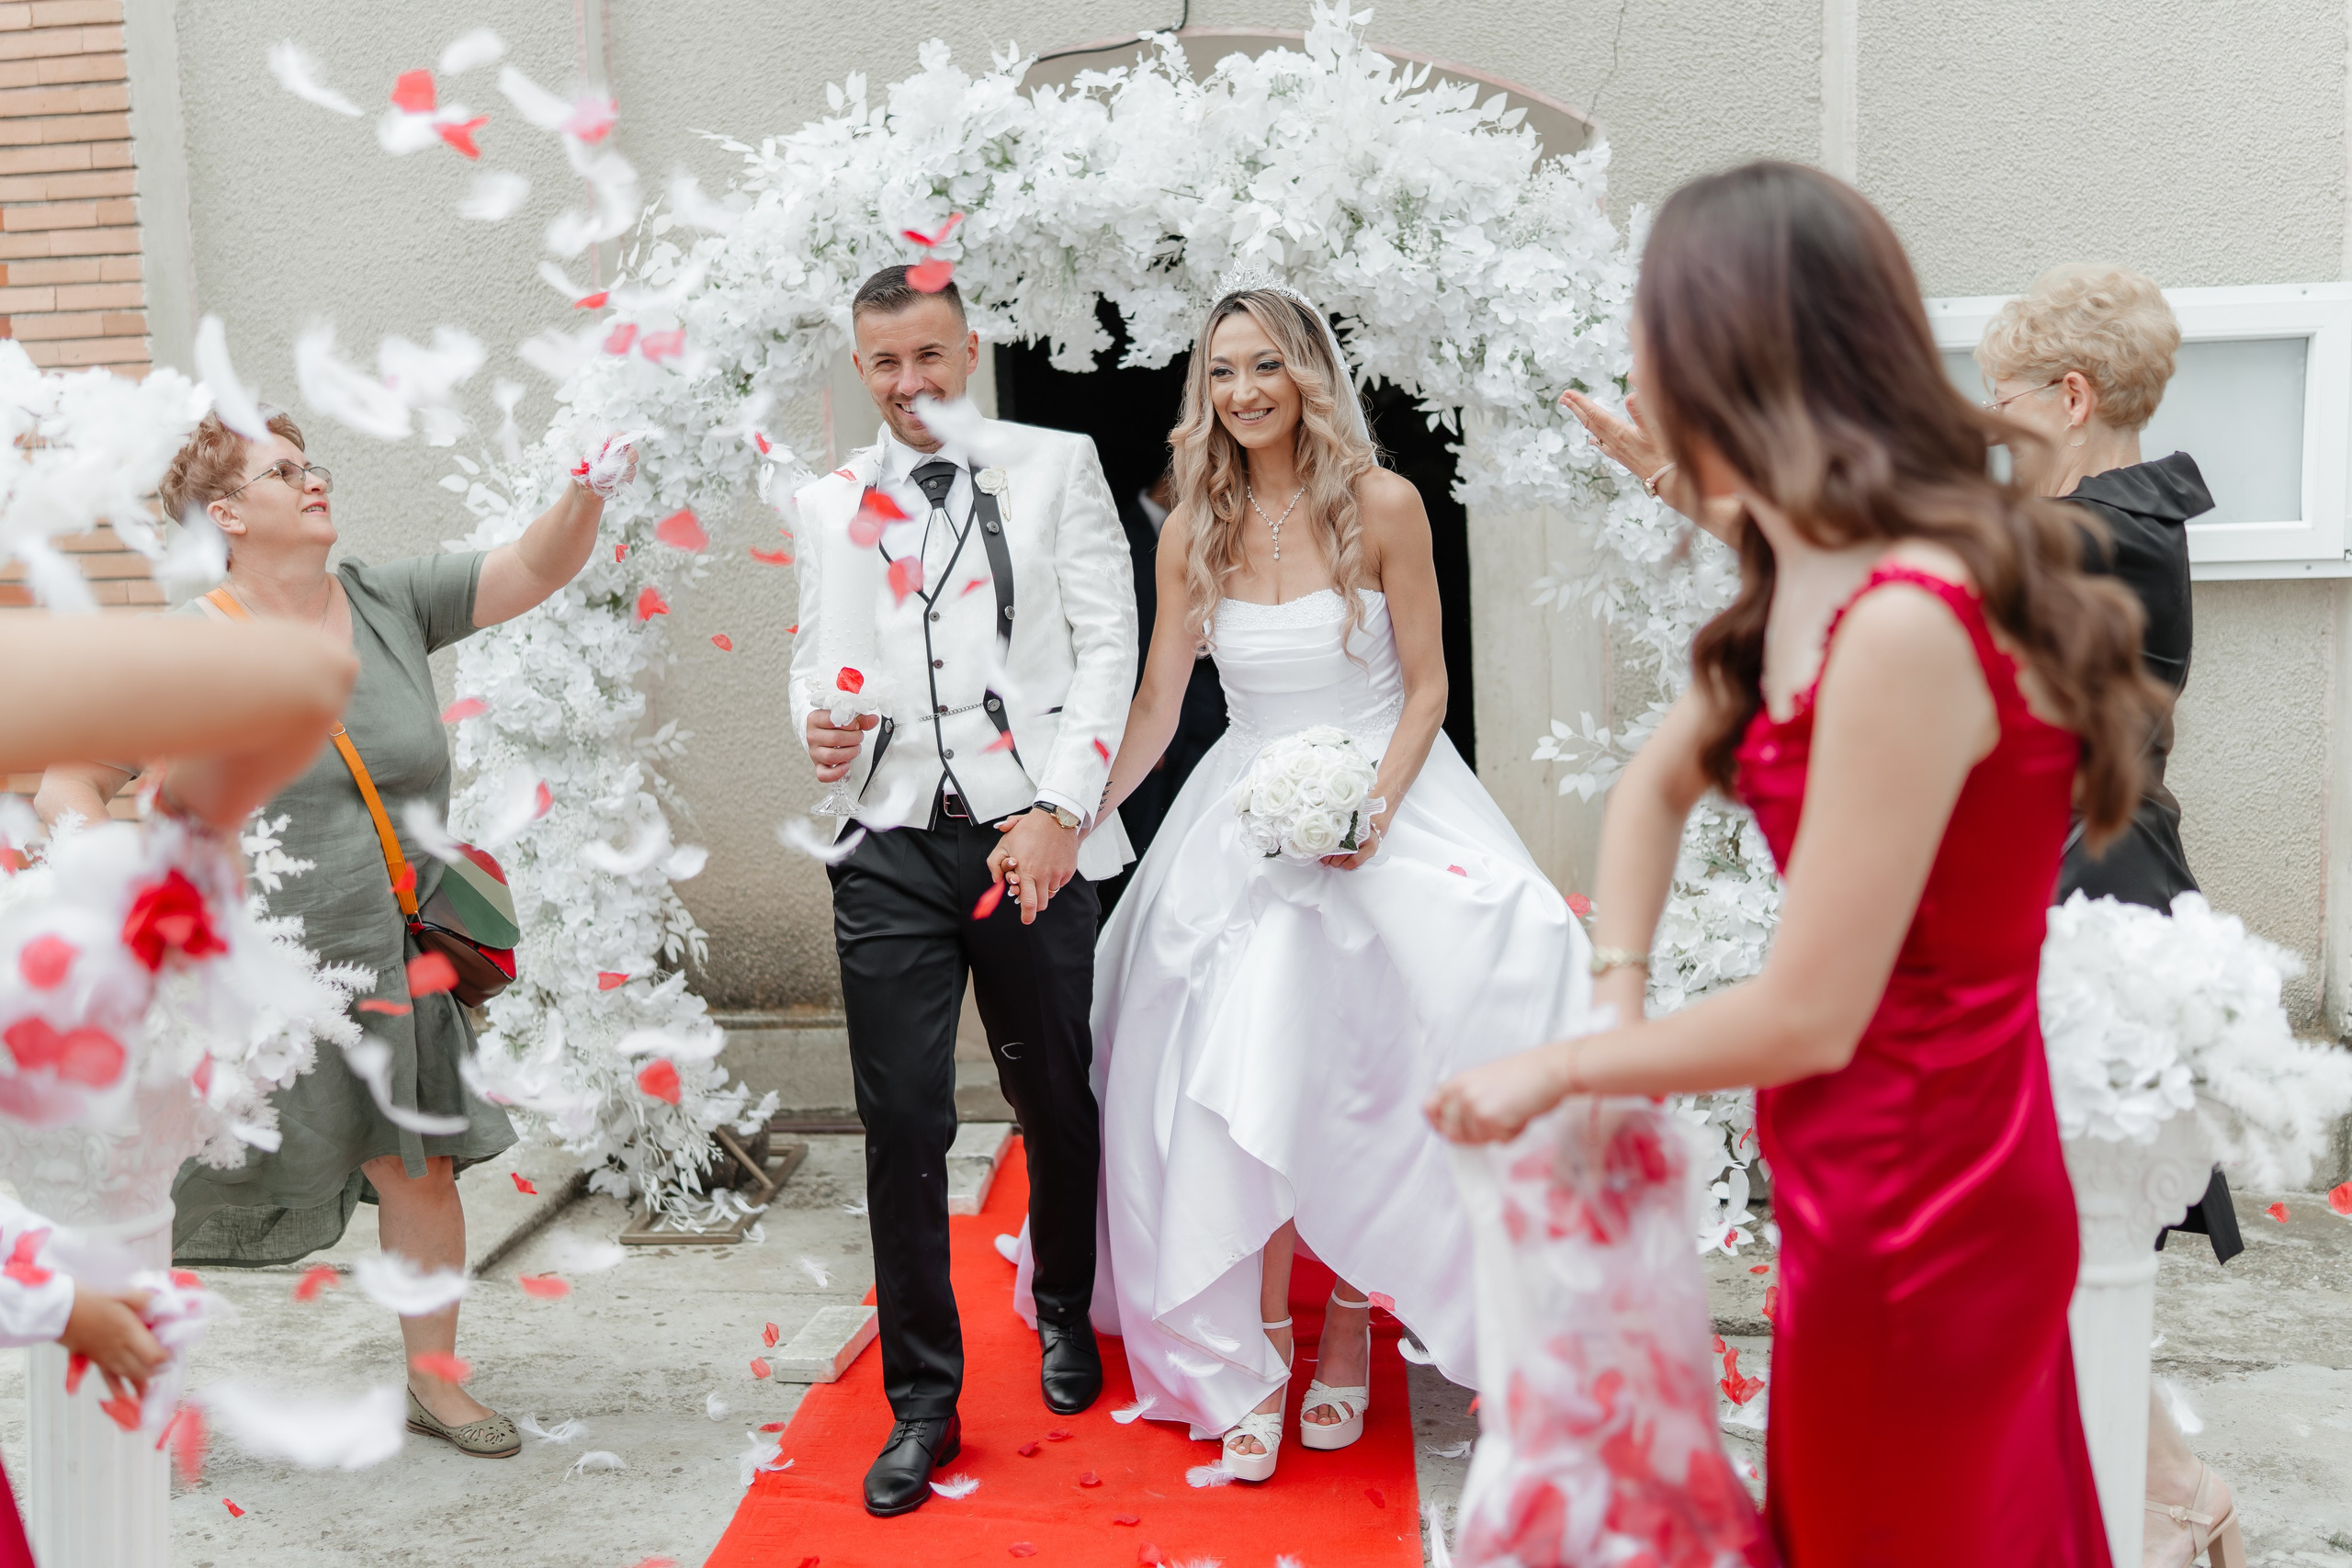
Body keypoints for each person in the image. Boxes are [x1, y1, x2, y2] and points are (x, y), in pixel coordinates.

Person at [1429, 162, 2165, 1564]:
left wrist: (1565, 1067)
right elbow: (1655, 785)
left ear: (1735, 352)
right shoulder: (1823, 564)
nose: (1642, 372)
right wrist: (1617, 992)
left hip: (1929, 1201)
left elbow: (1814, 1011)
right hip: (1858, 1169)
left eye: (1654, 336)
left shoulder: (1904, 621)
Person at [1073, 278, 1591, 1483]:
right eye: (1222, 371)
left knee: (1388, 1045)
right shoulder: (1191, 524)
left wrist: (1372, 808)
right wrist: (1072, 814)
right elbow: (1157, 705)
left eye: (1265, 365)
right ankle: (1255, 1342)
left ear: (1308, 372)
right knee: (1247, 1052)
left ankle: (1352, 1319)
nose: (1244, 390)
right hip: (1246, 811)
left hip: (1387, 793)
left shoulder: (1382, 503)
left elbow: (1429, 687)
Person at [39, 407, 628, 1460]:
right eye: (283, 472)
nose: (314, 481)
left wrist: (587, 487)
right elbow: (69, 778)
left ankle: (435, 1384)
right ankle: (131, 1394)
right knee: (166, 1188)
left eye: (312, 466)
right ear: (227, 515)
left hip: (395, 960)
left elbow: (531, 567)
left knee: (419, 1169)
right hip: (249, 982)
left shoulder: (389, 601)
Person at [790, 265, 1136, 1517]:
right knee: (900, 1119)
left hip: (1025, 830)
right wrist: (815, 724)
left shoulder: (1058, 465)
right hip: (885, 837)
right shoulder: (830, 500)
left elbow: (1109, 646)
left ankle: (1066, 1304)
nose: (910, 382)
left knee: (1052, 1085)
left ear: (970, 349)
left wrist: (1060, 809)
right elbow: (812, 657)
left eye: (929, 355)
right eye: (885, 362)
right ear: (860, 365)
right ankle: (923, 1404)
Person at [1979, 264, 2243, 1568]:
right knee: (2038, 1241)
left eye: (2004, 401)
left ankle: (2169, 1491)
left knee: (2061, 1237)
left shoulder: (2100, 532)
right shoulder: (2093, 524)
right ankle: (2167, 1488)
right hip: (2067, 884)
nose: (1991, 427)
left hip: (2094, 897)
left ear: (2071, 398)